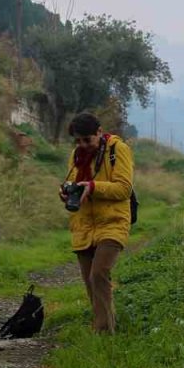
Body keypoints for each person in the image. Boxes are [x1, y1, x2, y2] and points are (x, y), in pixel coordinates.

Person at [61, 112, 133, 333]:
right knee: (90, 283)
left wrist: (92, 187)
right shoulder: (76, 155)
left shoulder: (117, 150)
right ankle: (106, 323)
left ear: (99, 132)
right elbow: (72, 180)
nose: (82, 145)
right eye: (78, 141)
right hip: (84, 226)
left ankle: (103, 333)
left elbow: (124, 188)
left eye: (87, 140)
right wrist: (66, 190)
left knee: (98, 273)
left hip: (112, 222)